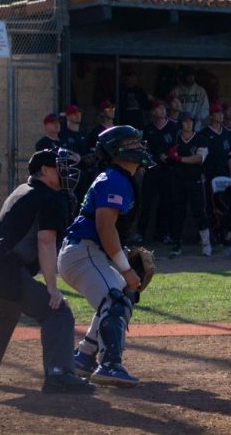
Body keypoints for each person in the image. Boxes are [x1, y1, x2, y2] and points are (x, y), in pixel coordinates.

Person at [0, 149, 93, 394]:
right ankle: (59, 374)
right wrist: (52, 288)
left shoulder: (23, 189)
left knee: (6, 309)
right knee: (57, 312)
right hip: (2, 269)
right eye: (60, 167)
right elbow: (46, 242)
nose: (67, 172)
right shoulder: (50, 197)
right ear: (45, 171)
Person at [58, 126, 153, 387]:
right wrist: (124, 268)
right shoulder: (115, 179)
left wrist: (121, 260)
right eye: (132, 143)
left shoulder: (119, 177)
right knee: (115, 301)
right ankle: (109, 365)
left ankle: (85, 357)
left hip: (89, 252)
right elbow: (104, 227)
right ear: (118, 150)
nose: (139, 147)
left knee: (124, 295)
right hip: (82, 252)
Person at [168, 111, 212, 258]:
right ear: (181, 123)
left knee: (200, 212)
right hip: (178, 180)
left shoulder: (201, 139)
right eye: (186, 121)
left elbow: (199, 158)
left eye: (191, 121)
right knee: (178, 213)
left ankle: (206, 245)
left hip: (196, 180)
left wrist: (179, 158)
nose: (189, 123)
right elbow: (168, 157)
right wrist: (168, 156)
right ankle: (176, 244)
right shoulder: (176, 140)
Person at [135, 100, 178, 245]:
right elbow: (143, 150)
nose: (162, 111)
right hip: (151, 170)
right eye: (158, 109)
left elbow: (178, 147)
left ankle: (162, 234)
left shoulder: (173, 127)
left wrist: (170, 156)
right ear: (153, 112)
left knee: (166, 203)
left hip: (168, 170)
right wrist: (142, 165)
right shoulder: (148, 129)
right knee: (146, 203)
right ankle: (140, 233)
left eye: (163, 108)